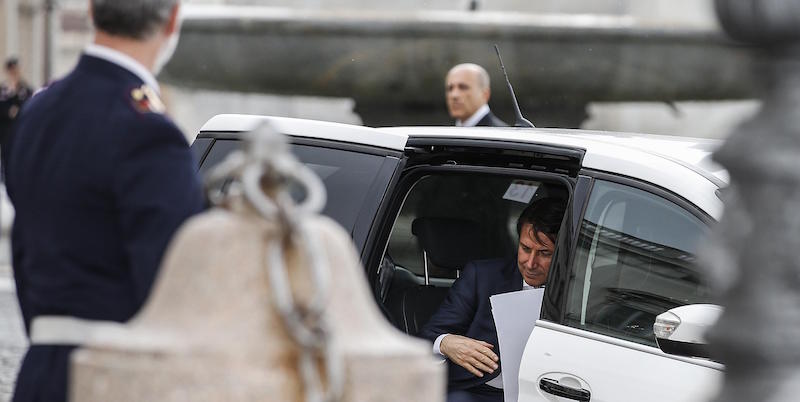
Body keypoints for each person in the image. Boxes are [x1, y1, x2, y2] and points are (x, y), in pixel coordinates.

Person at [4, 1, 203, 401]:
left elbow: (24, 248)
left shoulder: (37, 112)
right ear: (172, 19)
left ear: (92, 11)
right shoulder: (150, 131)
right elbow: (174, 287)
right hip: (116, 377)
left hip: (40, 372)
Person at [419, 197, 566, 402]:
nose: (530, 263)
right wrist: (446, 343)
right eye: (525, 248)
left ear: (563, 253)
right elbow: (429, 336)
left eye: (544, 253)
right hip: (480, 392)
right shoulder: (483, 277)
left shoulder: (579, 291)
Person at [0, 57, 33, 150]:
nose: (14, 74)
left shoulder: (26, 90)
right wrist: (8, 111)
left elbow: (30, 105)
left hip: (21, 133)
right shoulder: (2, 90)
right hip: (5, 134)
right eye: (11, 71)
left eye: (16, 71)